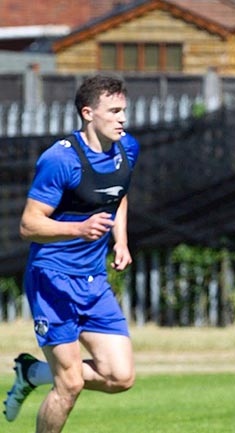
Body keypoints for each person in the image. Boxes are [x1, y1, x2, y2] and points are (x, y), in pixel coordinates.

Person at [3, 74, 139, 432]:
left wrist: (120, 240)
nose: (122, 118)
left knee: (121, 375)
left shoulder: (127, 149)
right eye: (114, 111)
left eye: (124, 109)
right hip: (52, 279)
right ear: (88, 113)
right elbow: (29, 225)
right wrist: (77, 229)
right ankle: (43, 377)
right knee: (70, 384)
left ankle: (31, 372)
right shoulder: (61, 159)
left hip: (93, 281)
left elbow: (118, 194)